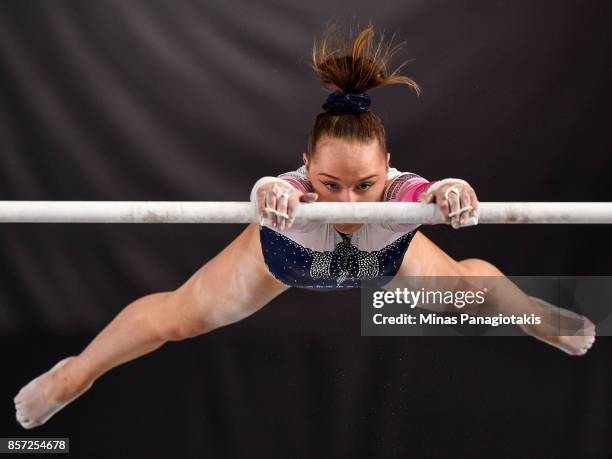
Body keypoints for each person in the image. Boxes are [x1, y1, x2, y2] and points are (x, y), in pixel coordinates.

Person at [14, 24, 595, 430]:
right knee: (177, 320)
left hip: (378, 261)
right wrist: (271, 194)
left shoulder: (402, 190)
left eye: (364, 185)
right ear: (307, 166)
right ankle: (74, 376)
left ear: (387, 170)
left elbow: (431, 192)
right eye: (328, 184)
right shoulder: (290, 191)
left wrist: (451, 193)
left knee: (469, 294)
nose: (345, 199)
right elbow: (274, 189)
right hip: (282, 260)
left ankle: (542, 320)